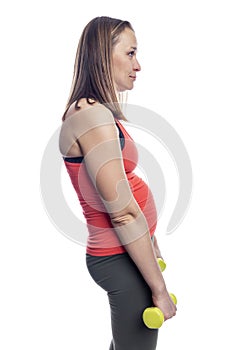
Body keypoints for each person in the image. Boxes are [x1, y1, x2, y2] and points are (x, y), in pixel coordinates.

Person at [59, 16, 176, 350]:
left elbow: (123, 189)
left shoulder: (96, 113)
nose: (138, 64)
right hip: (117, 257)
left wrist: (151, 241)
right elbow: (122, 212)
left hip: (127, 254)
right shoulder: (90, 116)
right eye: (131, 53)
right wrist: (160, 289)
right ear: (102, 55)